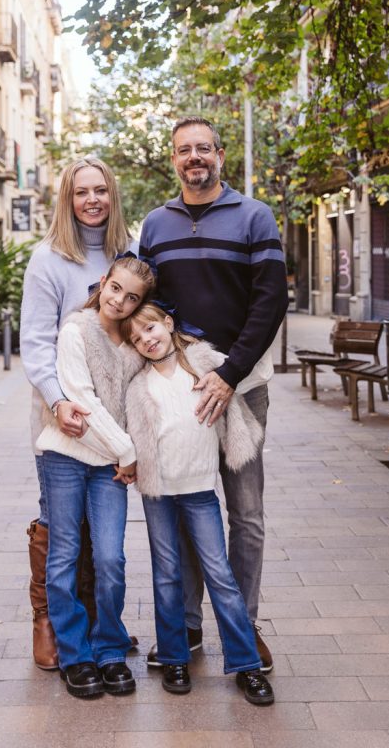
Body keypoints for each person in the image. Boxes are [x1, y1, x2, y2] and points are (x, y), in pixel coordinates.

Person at [139, 116, 289, 672]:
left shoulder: (254, 216)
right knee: (187, 506)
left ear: (220, 155)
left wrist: (229, 374)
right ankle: (189, 627)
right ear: (173, 159)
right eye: (185, 150)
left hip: (243, 389)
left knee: (245, 513)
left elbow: (269, 302)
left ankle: (244, 627)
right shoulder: (155, 224)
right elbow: (147, 309)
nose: (195, 157)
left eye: (204, 148)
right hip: (185, 394)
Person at [121, 302, 274, 705]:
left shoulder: (203, 361)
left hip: (200, 489)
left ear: (168, 324)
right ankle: (174, 657)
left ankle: (246, 665)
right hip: (159, 493)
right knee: (167, 573)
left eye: (151, 328)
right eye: (137, 338)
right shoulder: (137, 385)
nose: (147, 340)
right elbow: (129, 431)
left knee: (220, 575)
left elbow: (246, 373)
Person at [20, 157, 133, 670]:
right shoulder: (48, 259)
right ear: (67, 199)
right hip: (60, 415)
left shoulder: (126, 254)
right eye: (82, 191)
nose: (92, 200)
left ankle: (98, 628)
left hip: (113, 423)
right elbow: (36, 343)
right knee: (60, 526)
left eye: (101, 190)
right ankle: (48, 620)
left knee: (106, 539)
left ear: (113, 196)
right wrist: (58, 401)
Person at [38, 256, 156, 698]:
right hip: (67, 458)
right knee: (64, 555)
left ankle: (109, 647)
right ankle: (75, 654)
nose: (120, 301)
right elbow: (82, 401)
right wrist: (127, 452)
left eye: (132, 298)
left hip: (109, 467)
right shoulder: (76, 330)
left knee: (110, 558)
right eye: (116, 289)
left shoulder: (133, 345)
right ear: (103, 282)